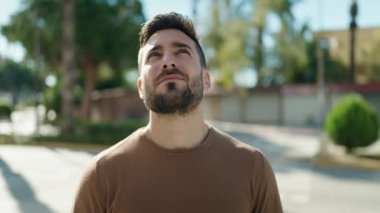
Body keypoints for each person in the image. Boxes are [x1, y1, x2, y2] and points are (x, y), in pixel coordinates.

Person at [72, 12, 283, 213]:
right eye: (155, 55)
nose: (168, 61)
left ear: (206, 79)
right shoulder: (101, 176)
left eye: (182, 51)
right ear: (140, 88)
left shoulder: (254, 168)